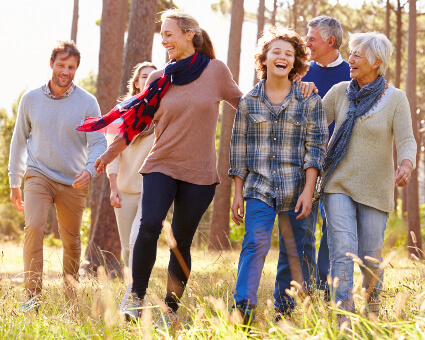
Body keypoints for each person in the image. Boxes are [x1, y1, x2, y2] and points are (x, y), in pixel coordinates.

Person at [77, 9, 243, 322]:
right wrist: (110, 154)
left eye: (169, 34)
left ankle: (170, 308)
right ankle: (136, 298)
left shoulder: (216, 71)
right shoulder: (159, 78)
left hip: (200, 173)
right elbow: (135, 125)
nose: (164, 40)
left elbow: (245, 104)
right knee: (149, 224)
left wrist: (290, 92)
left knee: (180, 243)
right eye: (162, 34)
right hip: (161, 165)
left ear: (189, 35)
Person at [228, 27, 328, 323]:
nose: (282, 57)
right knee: (254, 245)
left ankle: (284, 313)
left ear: (295, 61)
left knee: (294, 252)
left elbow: (316, 150)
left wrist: (309, 191)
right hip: (259, 188)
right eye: (276, 52)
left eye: (289, 53)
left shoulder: (310, 101)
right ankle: (243, 311)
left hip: (298, 189)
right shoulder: (248, 102)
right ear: (265, 58)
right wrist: (237, 193)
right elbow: (239, 151)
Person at [320, 32, 416, 314]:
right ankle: (344, 318)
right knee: (342, 250)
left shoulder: (396, 98)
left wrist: (406, 164)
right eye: (351, 54)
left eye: (357, 55)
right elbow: (312, 124)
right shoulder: (339, 92)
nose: (350, 59)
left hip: (376, 187)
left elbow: (407, 140)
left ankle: (371, 315)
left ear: (376, 62)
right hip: (337, 182)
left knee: (371, 257)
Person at [8, 41, 106, 311]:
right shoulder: (30, 100)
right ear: (51, 64)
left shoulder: (88, 102)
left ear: (76, 69)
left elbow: (98, 142)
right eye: (61, 64)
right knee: (35, 226)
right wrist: (15, 181)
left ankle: (71, 294)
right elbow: (18, 142)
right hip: (38, 174)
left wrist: (88, 170)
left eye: (71, 67)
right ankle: (32, 296)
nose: (65, 71)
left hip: (73, 180)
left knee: (71, 240)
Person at [295, 16, 351, 294]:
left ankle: (325, 286)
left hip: (340, 163)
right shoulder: (301, 71)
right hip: (304, 161)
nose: (307, 43)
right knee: (303, 224)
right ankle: (304, 288)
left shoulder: (353, 73)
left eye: (312, 39)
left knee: (333, 225)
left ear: (330, 42)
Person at [105, 62, 157, 311]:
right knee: (128, 248)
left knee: (138, 241)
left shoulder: (163, 112)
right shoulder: (121, 112)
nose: (148, 80)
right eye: (143, 77)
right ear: (136, 83)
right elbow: (112, 155)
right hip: (124, 189)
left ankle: (134, 299)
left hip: (152, 189)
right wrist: (113, 187)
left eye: (153, 77)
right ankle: (134, 290)